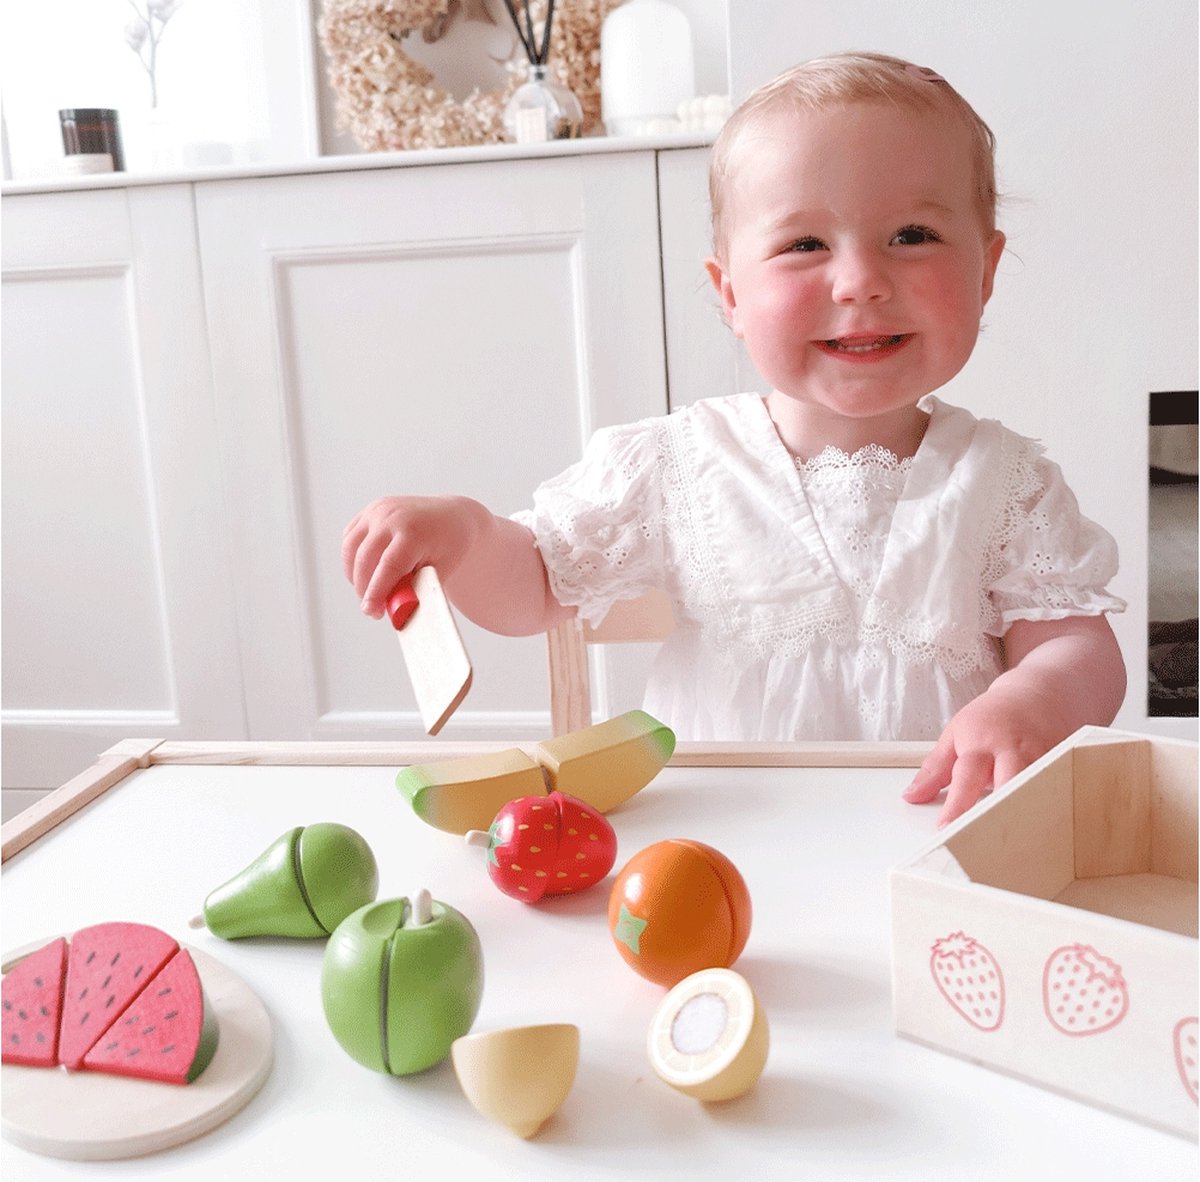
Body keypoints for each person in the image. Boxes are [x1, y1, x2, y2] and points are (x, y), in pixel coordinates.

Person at [342, 51, 1126, 827]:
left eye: (912, 234)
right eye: (804, 245)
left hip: (941, 835)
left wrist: (1032, 699)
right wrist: (467, 533)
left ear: (985, 272)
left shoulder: (1006, 481)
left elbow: (1077, 648)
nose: (859, 280)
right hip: (718, 856)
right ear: (730, 294)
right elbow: (538, 585)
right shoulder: (676, 465)